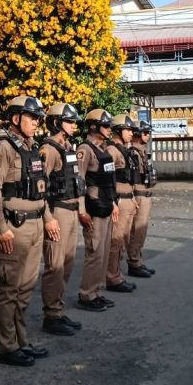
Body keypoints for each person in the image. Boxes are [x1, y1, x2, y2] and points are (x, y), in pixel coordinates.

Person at [0, 96, 60, 366]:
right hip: (14, 228)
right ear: (16, 118)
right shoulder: (2, 149)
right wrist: (1, 228)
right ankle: (7, 347)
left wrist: (48, 218)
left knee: (26, 288)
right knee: (9, 289)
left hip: (35, 223)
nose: (36, 123)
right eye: (32, 117)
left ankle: (21, 340)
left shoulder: (32, 149)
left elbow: (40, 190)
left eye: (38, 118)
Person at [40, 103, 89, 336]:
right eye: (69, 121)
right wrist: (48, 218)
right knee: (55, 266)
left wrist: (80, 209)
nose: (73, 125)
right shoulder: (49, 150)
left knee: (67, 263)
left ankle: (58, 310)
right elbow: (40, 187)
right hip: (57, 211)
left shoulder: (67, 148)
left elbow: (76, 182)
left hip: (70, 210)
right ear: (56, 123)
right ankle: (51, 315)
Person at [75, 109, 119, 312]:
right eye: (106, 125)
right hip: (94, 208)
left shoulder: (102, 149)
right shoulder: (85, 149)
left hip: (106, 205)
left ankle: (96, 292)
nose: (109, 129)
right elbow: (79, 181)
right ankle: (87, 294)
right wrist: (82, 211)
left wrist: (114, 203)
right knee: (94, 253)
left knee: (103, 253)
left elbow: (109, 181)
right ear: (94, 127)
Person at [105, 114, 139, 293]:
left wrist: (132, 198)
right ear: (118, 131)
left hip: (127, 198)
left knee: (121, 241)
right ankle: (112, 277)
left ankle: (117, 274)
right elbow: (107, 179)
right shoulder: (112, 151)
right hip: (118, 199)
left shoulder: (124, 150)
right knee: (115, 241)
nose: (131, 133)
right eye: (128, 130)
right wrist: (112, 202)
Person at [127, 118, 157, 279]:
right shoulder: (132, 152)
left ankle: (138, 259)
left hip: (145, 194)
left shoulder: (143, 151)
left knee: (142, 231)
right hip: (138, 195)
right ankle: (134, 262)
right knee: (137, 231)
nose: (148, 136)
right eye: (145, 133)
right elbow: (131, 179)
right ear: (137, 134)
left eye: (148, 133)